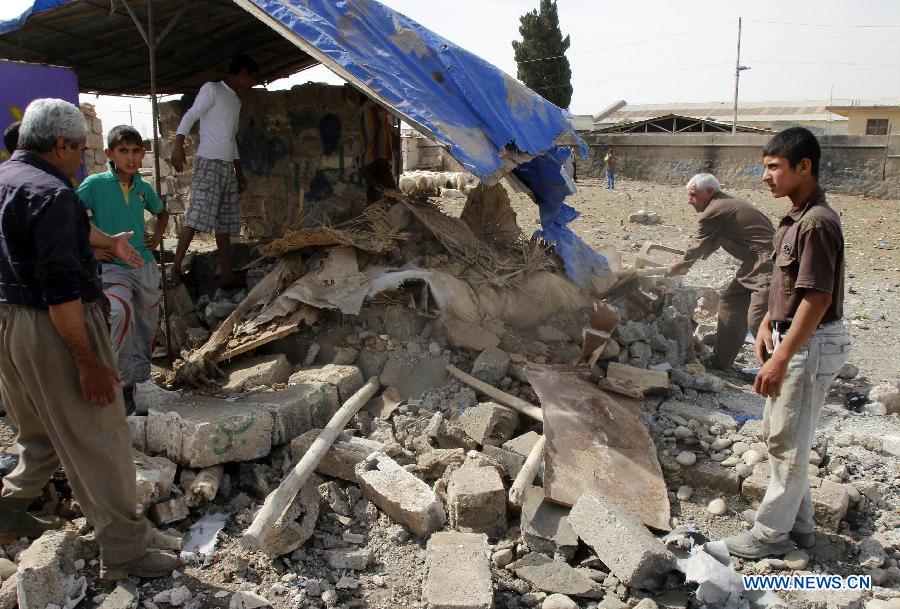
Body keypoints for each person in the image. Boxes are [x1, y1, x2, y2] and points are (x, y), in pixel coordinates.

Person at [0, 99, 178, 578]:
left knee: (39, 429)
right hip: (53, 324)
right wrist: (89, 362)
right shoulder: (55, 195)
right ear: (60, 144)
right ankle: (126, 551)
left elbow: (66, 232)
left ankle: (13, 506)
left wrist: (110, 242)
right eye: (79, 149)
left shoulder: (9, 181)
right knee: (100, 438)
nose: (82, 157)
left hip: (9, 323)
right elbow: (61, 293)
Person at [723, 127, 850, 559]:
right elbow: (788, 287)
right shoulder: (795, 219)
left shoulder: (816, 223)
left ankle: (769, 537)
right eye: (765, 166)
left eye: (774, 167)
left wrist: (781, 356)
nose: (765, 176)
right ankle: (801, 527)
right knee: (785, 434)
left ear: (804, 167)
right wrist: (765, 328)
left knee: (789, 442)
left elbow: (817, 298)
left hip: (808, 344)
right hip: (794, 339)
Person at [77, 125, 169, 413]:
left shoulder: (143, 187)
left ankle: (142, 379)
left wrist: (157, 235)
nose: (130, 158)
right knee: (120, 313)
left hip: (144, 264)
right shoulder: (94, 185)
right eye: (123, 151)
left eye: (135, 151)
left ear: (143, 154)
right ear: (110, 153)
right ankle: (125, 386)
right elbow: (70, 217)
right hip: (113, 266)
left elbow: (162, 212)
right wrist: (92, 249)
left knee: (147, 322)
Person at [667, 173, 774, 369]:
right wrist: (685, 264)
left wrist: (680, 266)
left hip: (767, 264)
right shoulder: (724, 205)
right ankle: (721, 361)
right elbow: (712, 243)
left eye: (693, 195)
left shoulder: (714, 210)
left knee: (758, 317)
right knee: (730, 304)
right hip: (753, 262)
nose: (689, 201)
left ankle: (780, 369)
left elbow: (698, 244)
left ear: (709, 192)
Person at [169, 54, 258, 289]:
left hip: (227, 167)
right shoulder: (213, 89)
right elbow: (191, 115)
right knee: (197, 214)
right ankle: (175, 269)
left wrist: (239, 173)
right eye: (251, 79)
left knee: (226, 222)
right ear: (242, 73)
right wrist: (177, 144)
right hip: (208, 162)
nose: (251, 84)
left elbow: (231, 139)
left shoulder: (235, 101)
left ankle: (227, 275)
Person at [358, 94, 398, 202]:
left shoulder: (364, 108)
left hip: (368, 161)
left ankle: (369, 218)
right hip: (377, 160)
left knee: (374, 197)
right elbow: (396, 106)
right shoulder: (374, 106)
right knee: (394, 198)